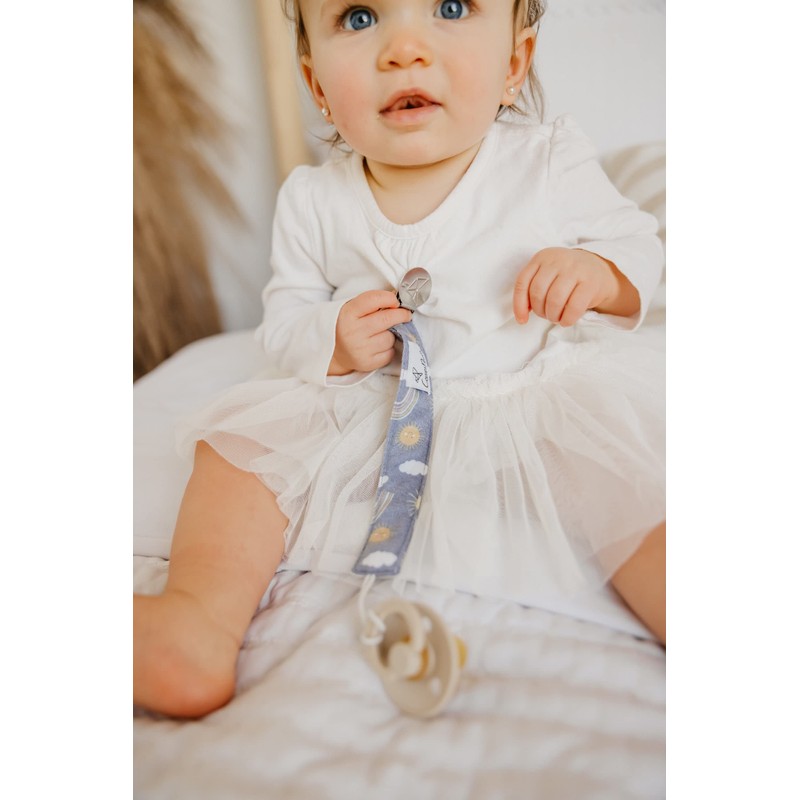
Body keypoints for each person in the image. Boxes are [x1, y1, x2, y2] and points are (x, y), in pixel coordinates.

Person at [134, 0, 666, 719]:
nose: (404, 48)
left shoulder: (544, 161)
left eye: (450, 7)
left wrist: (598, 273)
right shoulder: (314, 198)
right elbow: (283, 320)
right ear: (317, 84)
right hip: (371, 403)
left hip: (526, 395)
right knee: (236, 451)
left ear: (514, 61)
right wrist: (331, 337)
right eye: (359, 18)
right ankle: (196, 621)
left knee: (619, 472)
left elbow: (637, 246)